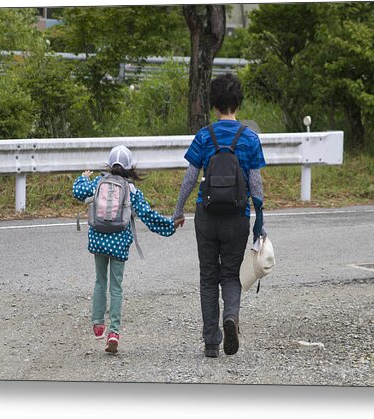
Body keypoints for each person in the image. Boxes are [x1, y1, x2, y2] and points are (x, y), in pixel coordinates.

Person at [173, 73, 267, 358]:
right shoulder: (249, 138)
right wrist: (260, 223)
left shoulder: (205, 136)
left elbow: (190, 178)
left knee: (208, 276)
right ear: (238, 103)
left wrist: (178, 210)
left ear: (215, 105)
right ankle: (232, 318)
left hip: (207, 214)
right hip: (237, 217)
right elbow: (256, 186)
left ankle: (211, 342)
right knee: (230, 274)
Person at [73, 145, 178, 353]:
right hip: (119, 242)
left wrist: (83, 177)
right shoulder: (131, 190)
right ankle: (113, 332)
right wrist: (170, 225)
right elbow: (147, 216)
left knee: (100, 281)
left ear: (110, 165)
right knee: (116, 287)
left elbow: (78, 191)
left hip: (98, 239)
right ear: (130, 168)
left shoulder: (98, 182)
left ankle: (97, 324)